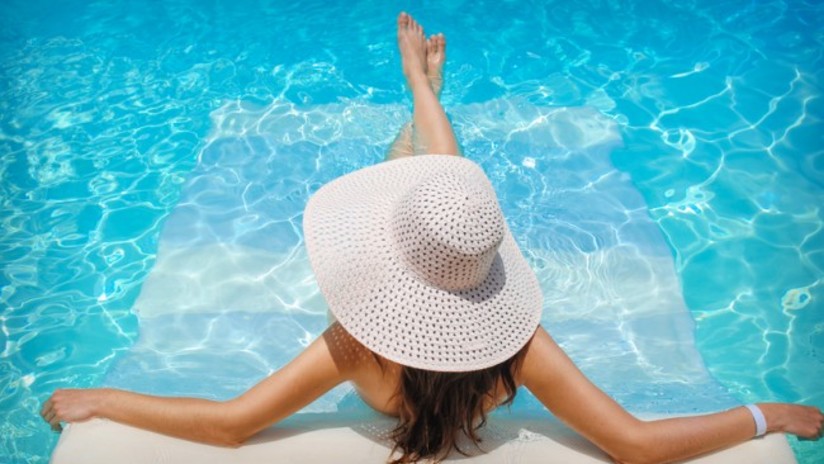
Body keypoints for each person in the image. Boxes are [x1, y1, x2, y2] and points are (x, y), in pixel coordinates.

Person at [41, 12, 822, 464]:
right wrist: (766, 416)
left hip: (417, 270)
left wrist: (102, 398)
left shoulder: (358, 345)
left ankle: (421, 97)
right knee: (443, 194)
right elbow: (636, 445)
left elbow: (232, 424)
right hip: (454, 262)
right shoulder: (519, 349)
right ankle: (424, 96)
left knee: (428, 185)